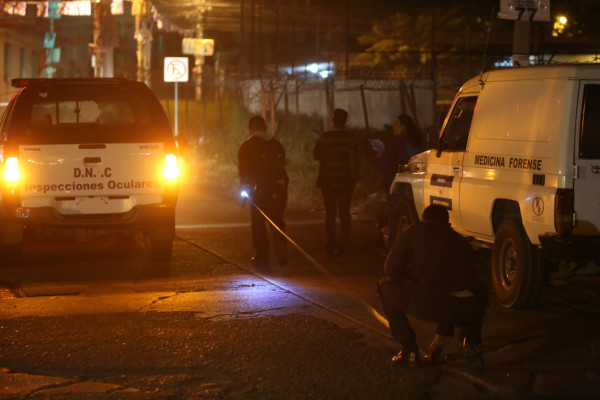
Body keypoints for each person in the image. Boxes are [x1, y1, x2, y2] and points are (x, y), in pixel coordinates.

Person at [377, 204, 488, 371]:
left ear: (424, 219)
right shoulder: (461, 240)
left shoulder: (415, 231)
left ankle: (410, 349)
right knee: (462, 293)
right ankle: (470, 342)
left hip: (429, 303)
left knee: (384, 286)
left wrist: (411, 274)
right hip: (467, 308)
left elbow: (391, 269)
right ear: (447, 222)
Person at [238, 116, 289, 267]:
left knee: (258, 221)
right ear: (265, 127)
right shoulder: (276, 144)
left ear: (251, 128)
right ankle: (280, 241)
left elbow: (243, 172)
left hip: (257, 189)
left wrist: (243, 190)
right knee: (277, 219)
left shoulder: (247, 146)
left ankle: (262, 255)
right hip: (278, 188)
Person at [313, 108, 360, 257]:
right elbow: (357, 158)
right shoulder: (351, 137)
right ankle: (344, 245)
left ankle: (331, 244)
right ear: (346, 121)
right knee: (345, 212)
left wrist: (317, 140)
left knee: (330, 213)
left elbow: (317, 155)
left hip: (328, 181)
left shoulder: (325, 137)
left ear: (333, 120)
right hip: (346, 180)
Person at [380, 114, 424, 251]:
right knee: (413, 218)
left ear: (403, 127)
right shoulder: (417, 142)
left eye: (396, 124)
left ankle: (392, 252)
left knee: (395, 219)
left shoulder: (396, 143)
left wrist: (377, 157)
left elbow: (385, 163)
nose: (394, 127)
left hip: (397, 186)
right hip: (416, 185)